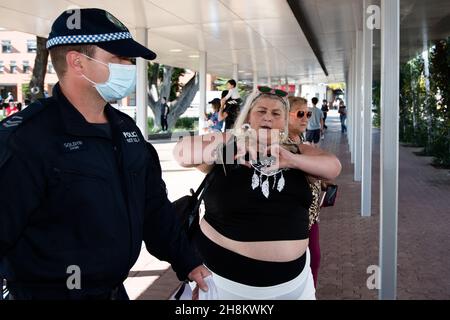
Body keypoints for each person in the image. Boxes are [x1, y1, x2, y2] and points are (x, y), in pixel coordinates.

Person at [0, 8, 210, 300]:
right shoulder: (26, 140)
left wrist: (188, 262)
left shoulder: (126, 130)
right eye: (119, 58)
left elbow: (153, 208)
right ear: (77, 62)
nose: (130, 66)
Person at [174, 86, 341, 299]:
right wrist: (233, 144)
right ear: (248, 117)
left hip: (294, 285)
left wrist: (291, 160)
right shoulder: (228, 145)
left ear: (284, 123)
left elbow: (333, 167)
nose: (268, 118)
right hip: (222, 284)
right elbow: (181, 152)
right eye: (261, 111)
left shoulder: (297, 150)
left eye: (276, 113)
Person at [288, 96, 322, 288]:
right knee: (306, 261)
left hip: (311, 216)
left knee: (314, 259)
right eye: (300, 113)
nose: (306, 118)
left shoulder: (300, 139)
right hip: (295, 217)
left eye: (308, 114)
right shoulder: (282, 144)